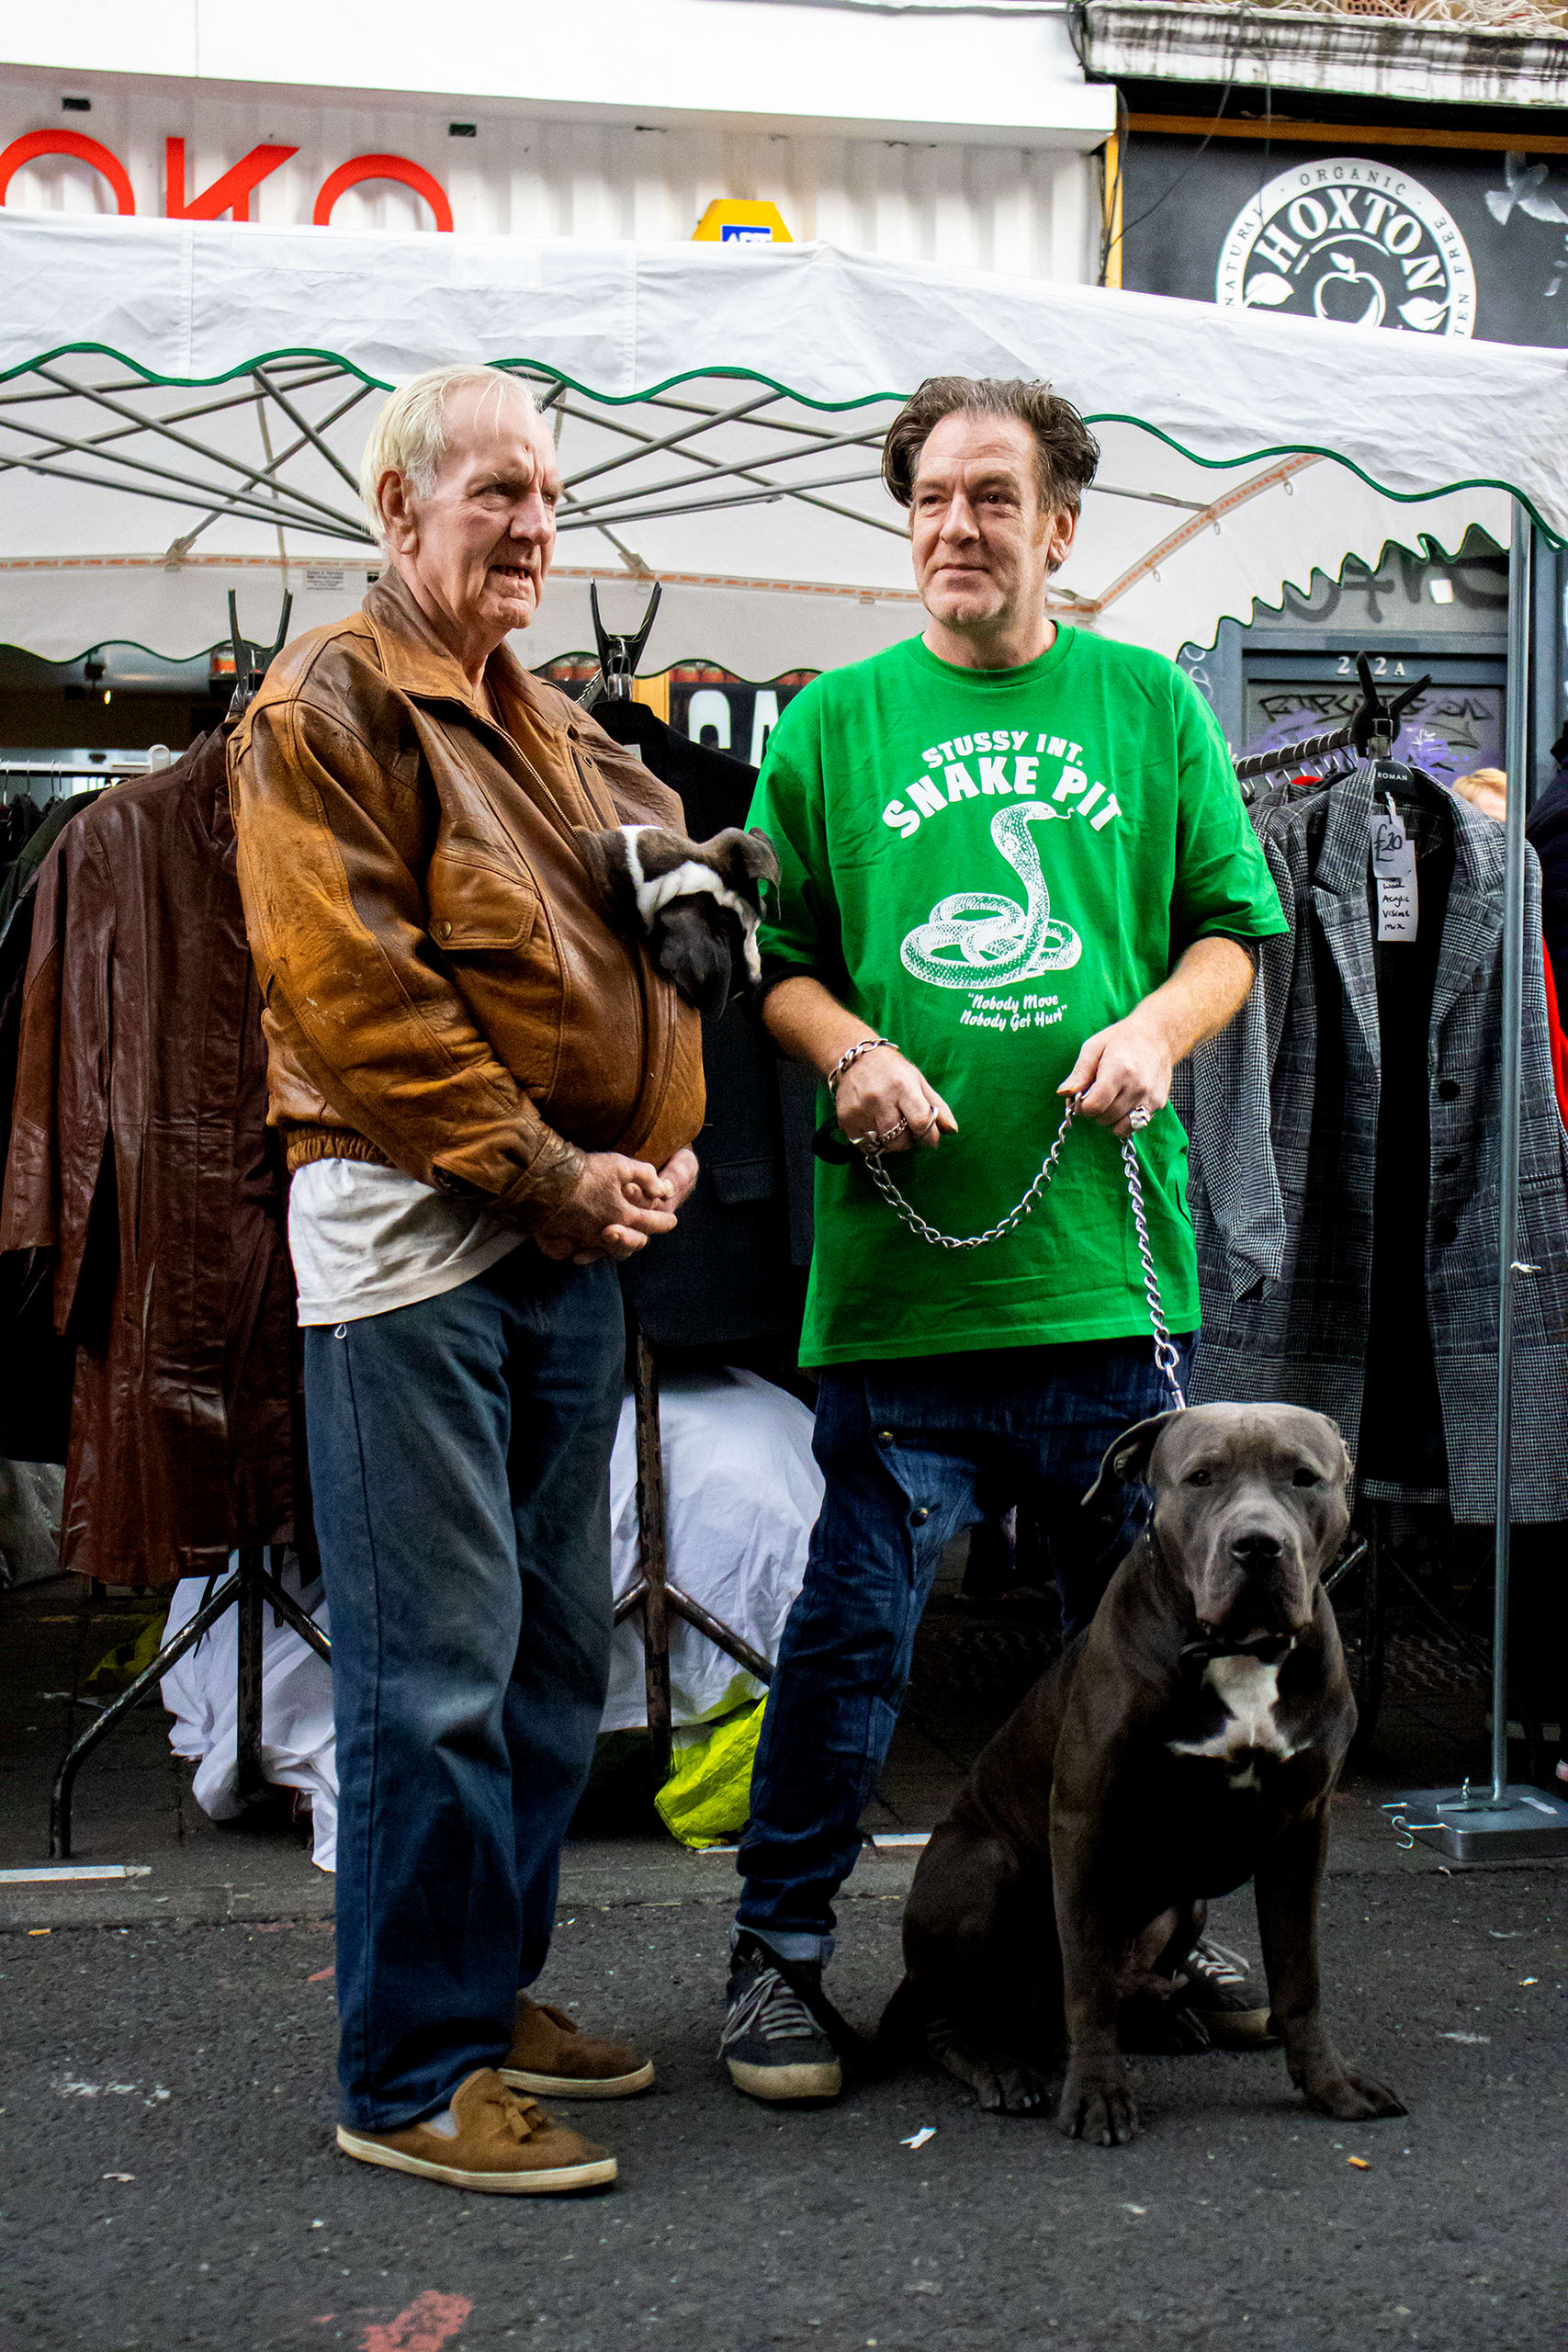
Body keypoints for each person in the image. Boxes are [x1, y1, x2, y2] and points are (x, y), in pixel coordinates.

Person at [719, 375, 1289, 2103]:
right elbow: (775, 961)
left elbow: (1227, 933)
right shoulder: (828, 727)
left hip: (1106, 1282)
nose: (954, 528)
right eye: (928, 501)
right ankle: (780, 1959)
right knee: (856, 1635)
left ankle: (1149, 1939)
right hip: (901, 1294)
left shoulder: (1148, 710)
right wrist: (857, 1053)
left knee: (1145, 1647)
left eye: (990, 497)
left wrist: (1156, 1036)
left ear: (1057, 527)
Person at [231, 365, 703, 2193]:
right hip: (418, 1242)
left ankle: (488, 1996)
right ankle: (410, 2072)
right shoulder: (326, 702)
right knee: (430, 1670)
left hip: (562, 1239)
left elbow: (667, 923)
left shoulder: (560, 725)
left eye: (548, 497)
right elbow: (359, 1005)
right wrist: (550, 1173)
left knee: (542, 1661)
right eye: (496, 489)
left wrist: (658, 1142)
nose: (529, 526)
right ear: (394, 502)